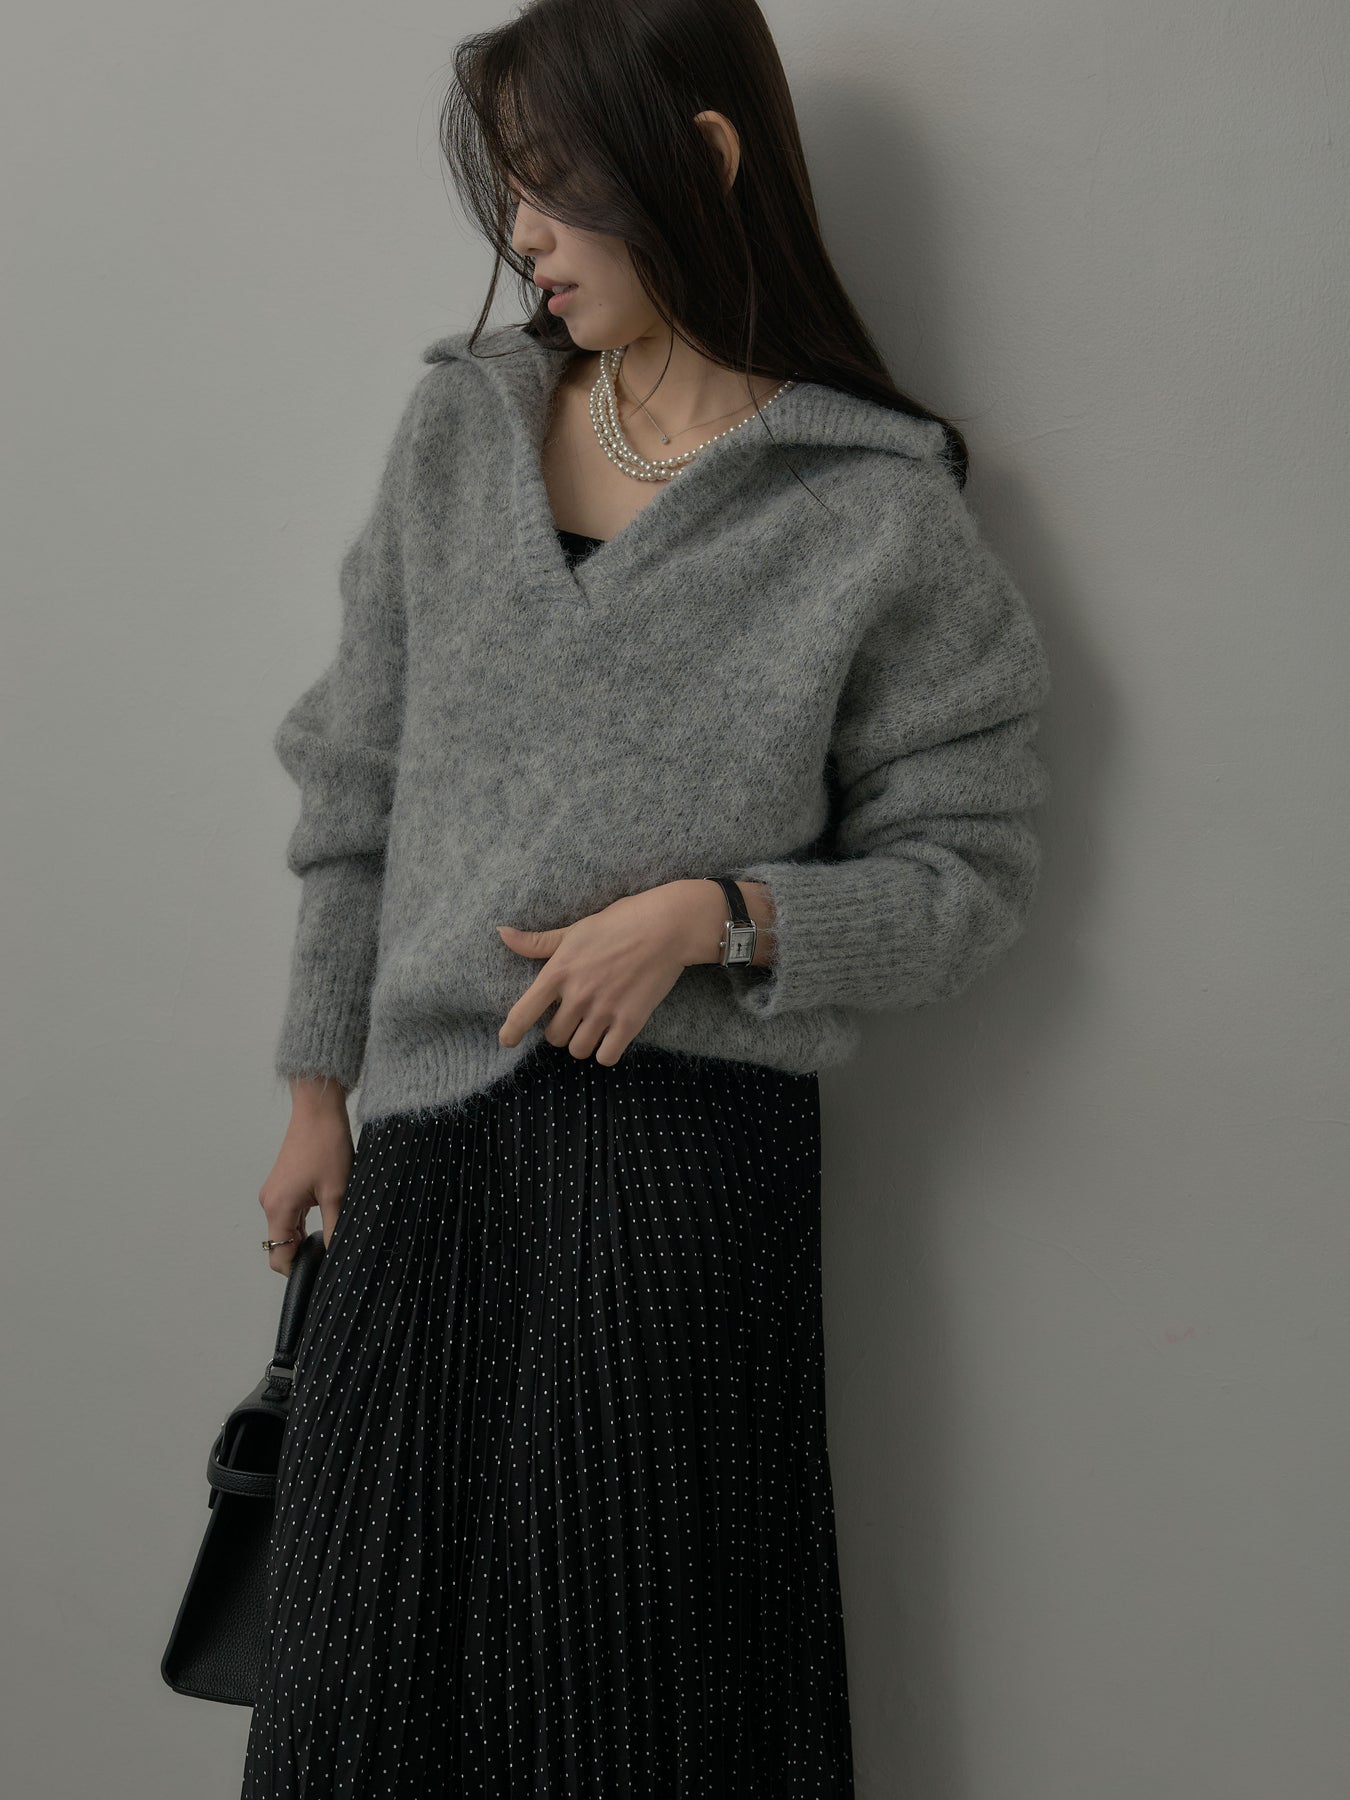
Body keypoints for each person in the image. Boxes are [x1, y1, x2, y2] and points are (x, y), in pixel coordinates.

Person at [241, 0, 1052, 1793]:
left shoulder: (870, 510)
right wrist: (315, 1090)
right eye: (508, 191)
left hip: (683, 1169)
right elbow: (353, 776)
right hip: (426, 1143)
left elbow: (970, 874)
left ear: (700, 161)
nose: (521, 234)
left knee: (628, 1703)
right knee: (356, 1705)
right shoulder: (459, 428)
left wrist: (719, 916)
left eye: (553, 188)